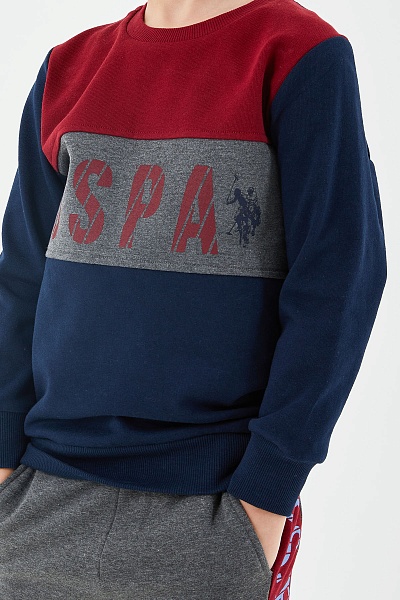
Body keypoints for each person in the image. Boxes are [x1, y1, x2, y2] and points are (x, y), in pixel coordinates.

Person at [0, 0, 387, 598]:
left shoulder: (298, 53)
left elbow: (338, 285)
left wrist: (264, 497)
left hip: (208, 505)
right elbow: (21, 280)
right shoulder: (68, 68)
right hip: (34, 502)